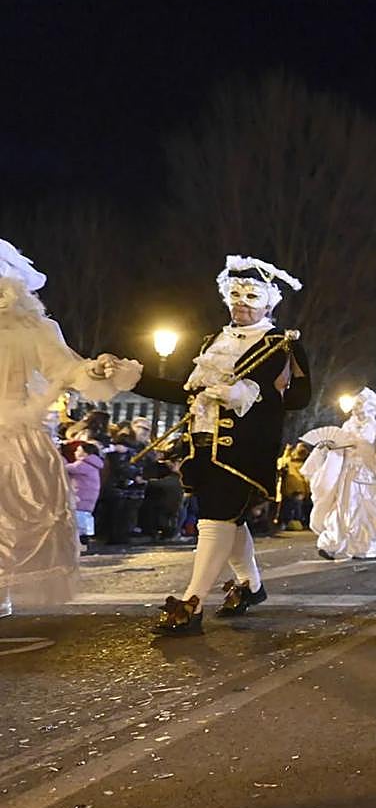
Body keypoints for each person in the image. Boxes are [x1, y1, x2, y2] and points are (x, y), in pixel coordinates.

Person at [132, 255, 311, 634]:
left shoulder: (281, 344)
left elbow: (298, 399)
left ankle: (192, 604)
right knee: (231, 518)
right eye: (235, 295)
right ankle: (252, 586)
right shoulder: (212, 341)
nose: (241, 303)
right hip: (201, 446)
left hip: (245, 449)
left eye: (251, 296)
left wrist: (250, 393)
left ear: (268, 302)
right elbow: (186, 391)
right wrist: (134, 378)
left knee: (215, 519)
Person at [0, 239, 141, 615]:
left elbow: (65, 368)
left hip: (14, 440)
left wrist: (95, 370)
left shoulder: (32, 330)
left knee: (12, 523)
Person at [303, 386, 376, 560]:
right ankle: (333, 544)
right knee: (344, 511)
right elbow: (339, 446)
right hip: (349, 473)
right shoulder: (347, 426)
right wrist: (330, 448)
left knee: (375, 510)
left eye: (360, 404)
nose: (356, 408)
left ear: (369, 406)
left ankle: (368, 546)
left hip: (370, 472)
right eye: (355, 404)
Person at [65, 442, 105, 549]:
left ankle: (80, 545)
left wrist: (59, 458)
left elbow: (64, 468)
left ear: (85, 453)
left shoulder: (81, 465)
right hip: (89, 497)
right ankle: (85, 543)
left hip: (80, 496)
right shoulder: (94, 464)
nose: (75, 452)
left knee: (77, 523)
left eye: (78, 450)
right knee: (84, 520)